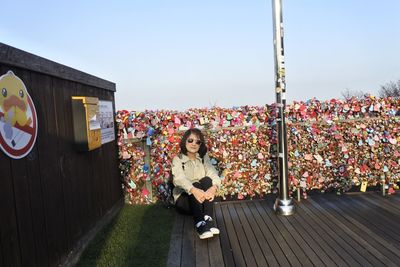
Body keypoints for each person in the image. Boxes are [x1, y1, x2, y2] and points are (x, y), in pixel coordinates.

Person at [171, 128, 221, 239]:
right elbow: (179, 179)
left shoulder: (203, 157)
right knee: (195, 184)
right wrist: (194, 190)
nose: (194, 144)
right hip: (185, 200)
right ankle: (200, 224)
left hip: (202, 199)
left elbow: (213, 173)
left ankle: (208, 219)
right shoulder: (178, 159)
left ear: (200, 144)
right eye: (190, 140)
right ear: (185, 141)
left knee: (207, 180)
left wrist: (214, 187)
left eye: (197, 142)